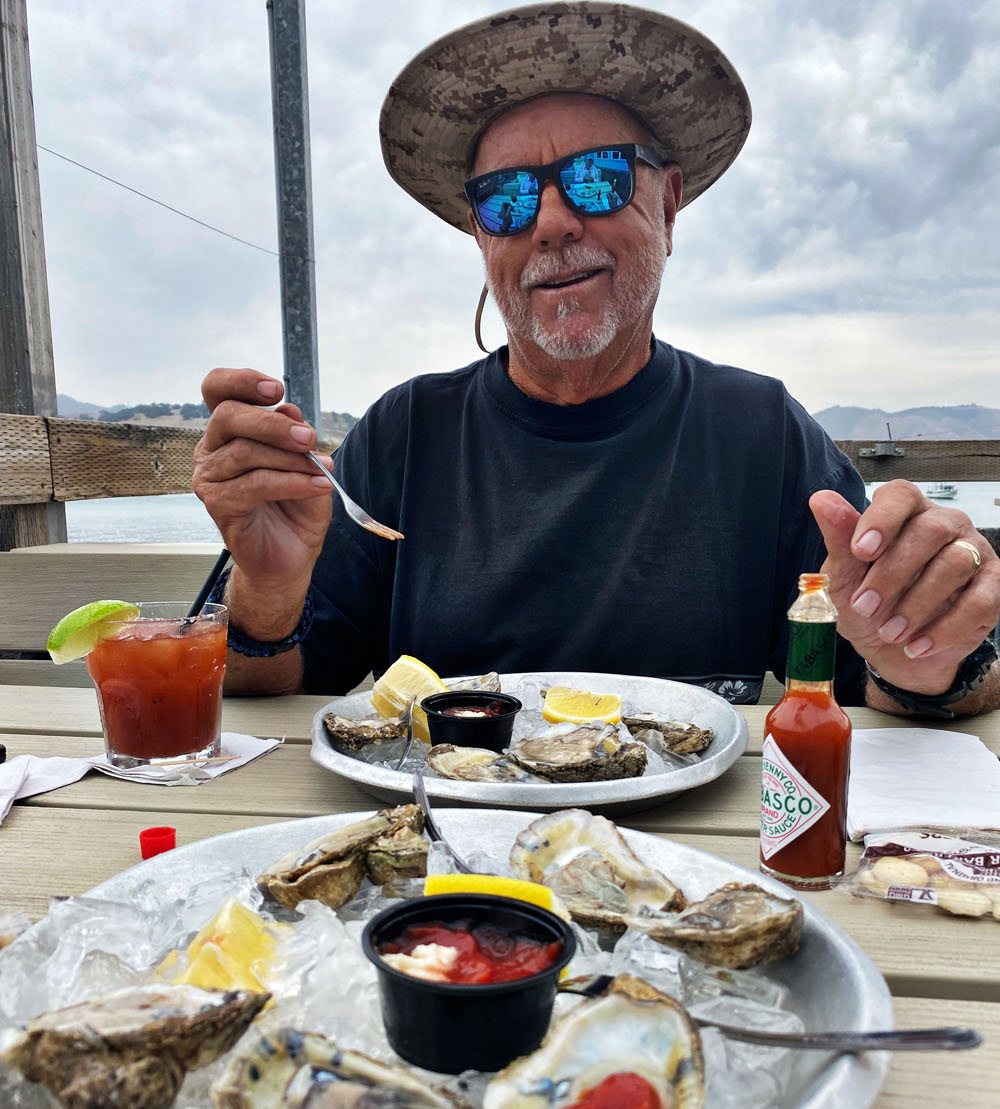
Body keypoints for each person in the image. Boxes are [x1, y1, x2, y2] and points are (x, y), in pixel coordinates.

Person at [193, 3, 1000, 718]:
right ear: (482, 236)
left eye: (596, 178)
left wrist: (924, 643)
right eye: (506, 197)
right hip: (446, 858)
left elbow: (879, 683)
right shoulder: (405, 433)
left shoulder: (761, 434)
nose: (549, 222)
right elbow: (284, 684)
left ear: (668, 202)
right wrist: (265, 592)